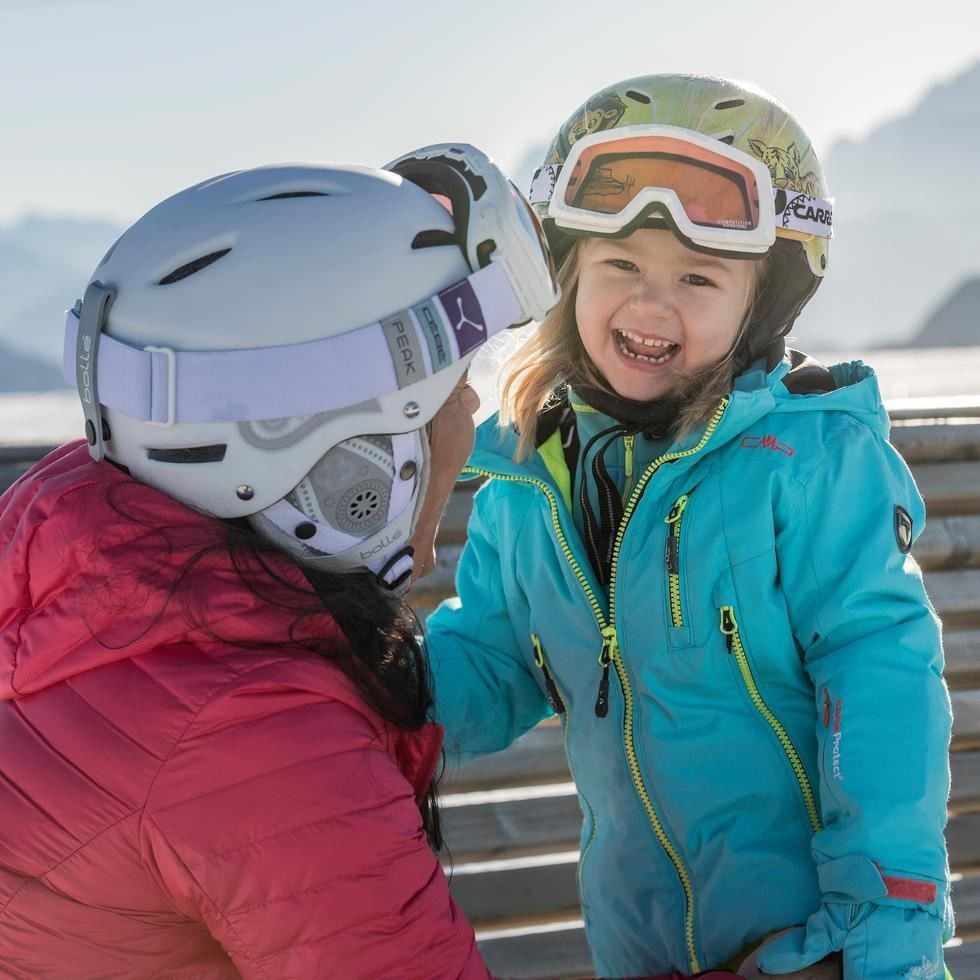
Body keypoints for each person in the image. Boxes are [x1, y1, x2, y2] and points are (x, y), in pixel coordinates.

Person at [425, 75, 953, 978]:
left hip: (817, 949)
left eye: (698, 278)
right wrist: (373, 698)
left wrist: (869, 940)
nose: (650, 304)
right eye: (620, 266)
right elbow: (492, 659)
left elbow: (881, 683)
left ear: (761, 305)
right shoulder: (530, 477)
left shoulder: (805, 464)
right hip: (640, 947)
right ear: (566, 277)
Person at [0, 151, 563, 977]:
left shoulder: (68, 572)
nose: (471, 412)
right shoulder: (257, 740)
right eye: (446, 393)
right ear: (347, 472)